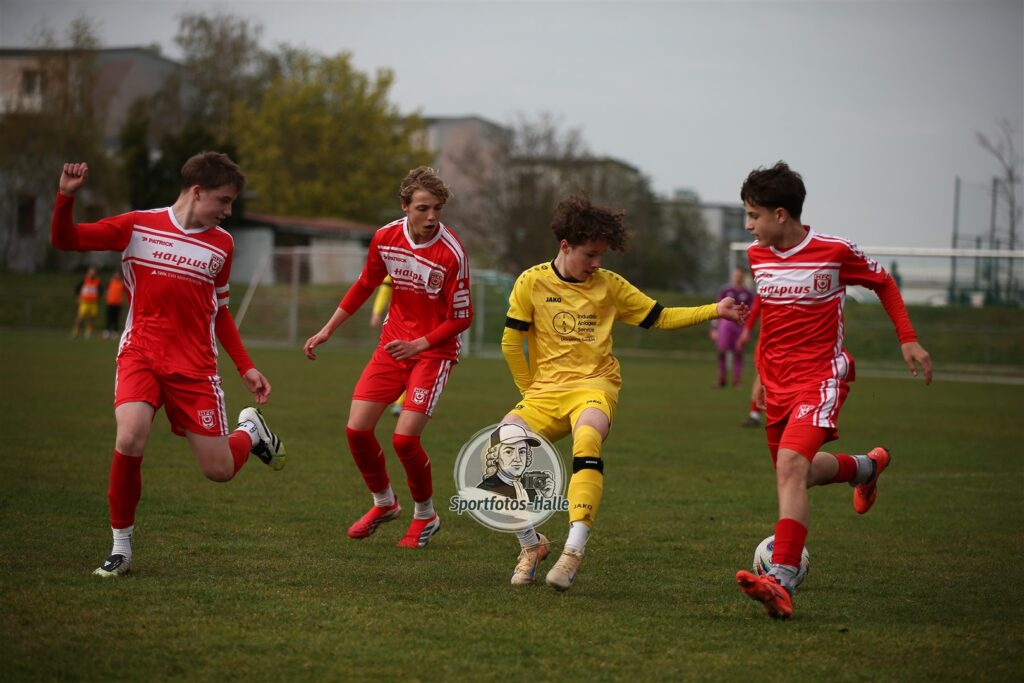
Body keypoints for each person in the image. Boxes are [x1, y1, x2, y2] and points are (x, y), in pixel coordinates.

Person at [51, 153, 286, 578]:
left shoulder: (222, 244)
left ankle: (249, 432)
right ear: (197, 192)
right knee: (130, 436)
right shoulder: (137, 226)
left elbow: (221, 311)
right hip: (140, 353)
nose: (228, 211)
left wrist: (245, 367)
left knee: (218, 470)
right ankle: (121, 547)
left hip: (195, 369)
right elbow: (66, 240)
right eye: (224, 200)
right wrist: (65, 198)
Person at [498, 190, 748, 590]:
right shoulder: (531, 282)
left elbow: (660, 316)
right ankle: (532, 545)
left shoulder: (609, 286)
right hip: (544, 393)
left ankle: (573, 551)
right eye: (590, 254)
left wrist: (713, 310)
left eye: (601, 255)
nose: (597, 263)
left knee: (587, 439)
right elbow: (511, 343)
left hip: (594, 386)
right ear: (565, 246)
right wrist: (530, 392)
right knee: (502, 446)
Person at [733, 162, 932, 619]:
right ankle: (865, 467)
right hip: (777, 383)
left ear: (780, 214)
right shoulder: (757, 256)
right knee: (797, 474)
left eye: (753, 215)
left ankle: (781, 579)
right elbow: (772, 317)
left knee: (790, 466)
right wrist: (761, 373)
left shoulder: (834, 251)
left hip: (821, 378)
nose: (748, 225)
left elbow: (883, 282)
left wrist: (908, 338)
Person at [303, 167, 472, 549]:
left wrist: (420, 345)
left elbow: (462, 318)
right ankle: (384, 503)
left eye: (438, 208)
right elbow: (366, 284)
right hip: (393, 345)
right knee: (357, 430)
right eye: (423, 208)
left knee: (404, 440)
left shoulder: (452, 254)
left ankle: (425, 515)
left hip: (434, 352)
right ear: (405, 206)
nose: (432, 217)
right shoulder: (385, 238)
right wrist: (328, 329)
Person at [710, 266, 755, 387]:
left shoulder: (748, 293)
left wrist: (748, 330)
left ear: (743, 276)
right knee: (721, 350)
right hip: (725, 324)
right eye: (736, 274)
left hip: (740, 325)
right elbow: (716, 309)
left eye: (740, 275)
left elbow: (752, 312)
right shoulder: (725, 290)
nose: (737, 276)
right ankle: (722, 378)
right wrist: (714, 328)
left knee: (739, 352)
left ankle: (737, 380)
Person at [369, 276, 406, 416]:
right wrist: (376, 313)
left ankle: (400, 403)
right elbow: (385, 288)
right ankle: (395, 400)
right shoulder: (396, 267)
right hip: (398, 323)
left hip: (423, 325)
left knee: (414, 362)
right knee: (399, 361)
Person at [738, 295, 764, 427]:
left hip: (796, 341)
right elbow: (755, 309)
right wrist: (747, 330)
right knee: (761, 375)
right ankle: (754, 414)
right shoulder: (768, 284)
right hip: (769, 339)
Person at [71, 266, 102, 338]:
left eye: (94, 272)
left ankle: (88, 332)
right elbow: (77, 288)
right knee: (80, 317)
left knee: (92, 318)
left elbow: (100, 291)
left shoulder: (97, 281)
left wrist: (98, 298)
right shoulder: (84, 280)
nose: (92, 273)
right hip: (84, 302)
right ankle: (75, 331)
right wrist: (78, 297)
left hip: (93, 302)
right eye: (91, 272)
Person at [102, 270, 126, 340]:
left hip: (118, 304)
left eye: (118, 274)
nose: (117, 275)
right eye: (116, 274)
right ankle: (106, 331)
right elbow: (105, 290)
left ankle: (115, 332)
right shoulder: (110, 282)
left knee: (116, 318)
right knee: (109, 318)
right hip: (110, 303)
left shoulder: (122, 283)